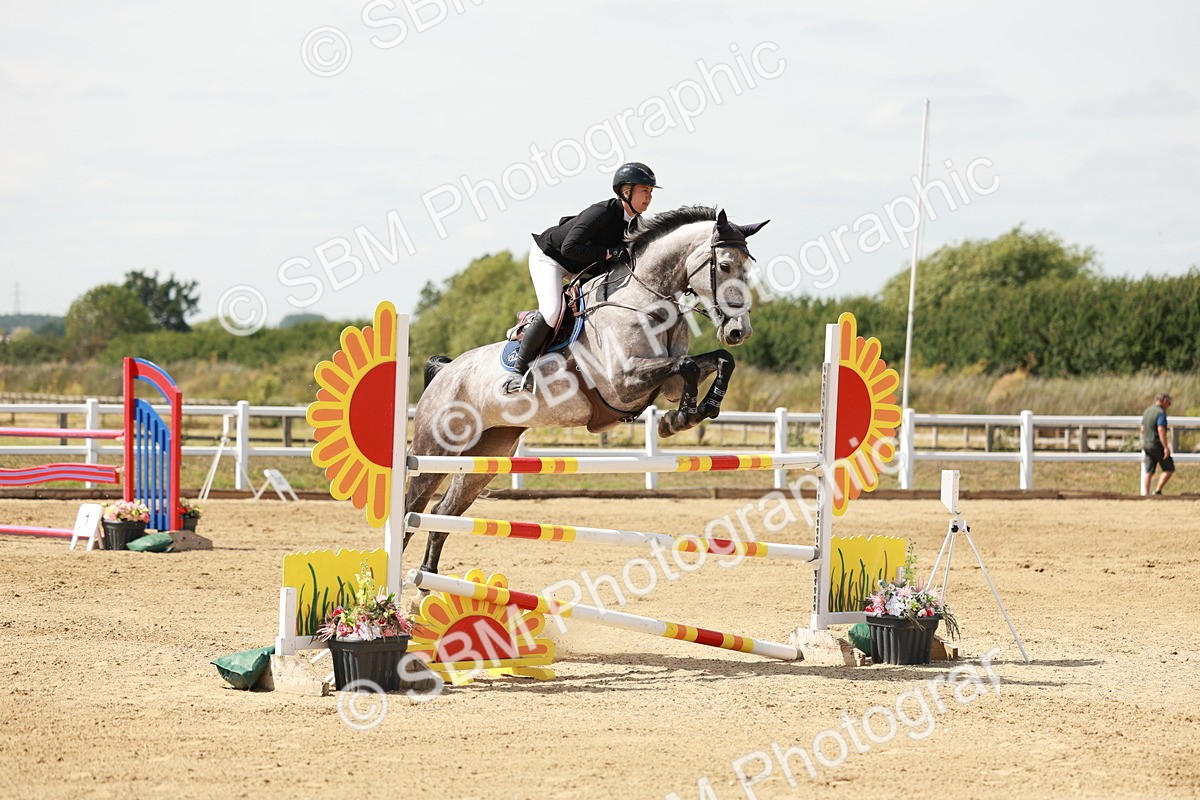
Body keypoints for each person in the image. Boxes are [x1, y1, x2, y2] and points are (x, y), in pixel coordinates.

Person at [502, 162, 659, 393]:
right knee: (552, 310)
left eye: (651, 192)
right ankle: (517, 371)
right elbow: (569, 248)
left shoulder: (636, 225)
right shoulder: (602, 212)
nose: (649, 197)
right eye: (645, 191)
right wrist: (608, 253)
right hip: (551, 258)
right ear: (626, 191)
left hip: (582, 267)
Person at [1140, 392, 1175, 495]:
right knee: (1169, 468)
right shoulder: (1161, 413)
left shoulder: (1147, 411)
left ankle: (1146, 494)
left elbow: (1142, 429)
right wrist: (1165, 447)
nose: (1168, 406)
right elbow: (1161, 430)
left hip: (1147, 444)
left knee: (1149, 471)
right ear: (1164, 401)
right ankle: (1157, 490)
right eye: (1169, 403)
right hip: (1156, 444)